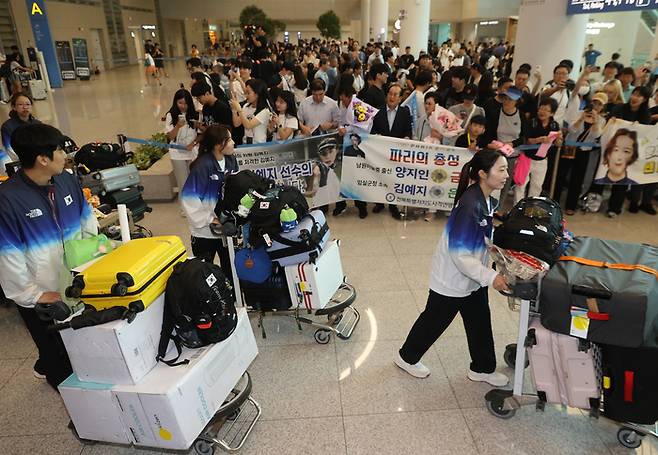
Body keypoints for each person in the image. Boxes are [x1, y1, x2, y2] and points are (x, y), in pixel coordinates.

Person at [395, 148, 510, 386]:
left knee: (479, 320)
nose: (506, 175)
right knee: (434, 321)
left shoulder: (486, 199)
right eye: (501, 170)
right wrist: (491, 277)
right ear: (482, 173)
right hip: (453, 279)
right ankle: (406, 357)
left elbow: (482, 236)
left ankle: (483, 368)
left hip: (472, 278)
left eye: (506, 169)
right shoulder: (470, 205)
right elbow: (461, 255)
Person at [0, 123, 98, 389]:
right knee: (58, 361)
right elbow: (8, 258)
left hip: (75, 283)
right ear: (42, 159)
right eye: (59, 149)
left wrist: (93, 264)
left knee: (83, 347)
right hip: (42, 296)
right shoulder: (8, 200)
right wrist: (33, 296)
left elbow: (86, 221)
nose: (65, 154)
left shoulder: (66, 179)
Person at [180, 125, 237, 278]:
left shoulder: (231, 160)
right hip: (204, 233)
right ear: (219, 145)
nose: (233, 143)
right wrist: (211, 219)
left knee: (230, 270)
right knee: (205, 274)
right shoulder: (202, 166)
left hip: (226, 230)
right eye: (229, 140)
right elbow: (188, 199)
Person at [560, 92, 607, 215]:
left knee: (577, 179)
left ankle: (571, 205)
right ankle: (554, 201)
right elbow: (571, 129)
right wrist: (581, 119)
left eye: (599, 104)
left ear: (603, 107)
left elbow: (597, 135)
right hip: (570, 147)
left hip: (584, 151)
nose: (596, 106)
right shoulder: (579, 112)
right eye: (595, 102)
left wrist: (595, 121)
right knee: (562, 174)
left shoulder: (601, 120)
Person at [370, 83, 412, 220]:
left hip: (397, 154)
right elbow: (372, 130)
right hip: (380, 153)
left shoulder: (405, 112)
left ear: (400, 98)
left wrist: (406, 139)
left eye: (395, 94)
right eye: (390, 94)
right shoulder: (378, 111)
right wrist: (377, 136)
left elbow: (408, 131)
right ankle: (379, 202)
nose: (392, 97)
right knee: (380, 178)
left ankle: (393, 205)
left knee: (394, 179)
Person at [514, 98, 562, 203]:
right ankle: (517, 208)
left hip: (542, 160)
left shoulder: (554, 125)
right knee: (520, 185)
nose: (542, 112)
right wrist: (540, 140)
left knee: (536, 186)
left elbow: (558, 144)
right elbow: (527, 141)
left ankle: (530, 210)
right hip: (527, 158)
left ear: (552, 113)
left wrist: (559, 139)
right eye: (541, 108)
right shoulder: (532, 122)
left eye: (546, 110)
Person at [164, 89, 199, 205]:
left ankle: (194, 205)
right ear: (175, 102)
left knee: (193, 180)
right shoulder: (170, 115)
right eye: (180, 103)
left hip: (191, 151)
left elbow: (200, 134)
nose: (183, 106)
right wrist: (178, 126)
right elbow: (170, 136)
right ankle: (185, 208)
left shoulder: (195, 114)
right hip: (177, 154)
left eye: (185, 103)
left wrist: (193, 144)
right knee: (182, 182)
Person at [229, 78, 271, 144]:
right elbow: (236, 124)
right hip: (246, 143)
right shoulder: (246, 106)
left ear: (257, 94)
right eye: (245, 93)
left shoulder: (265, 111)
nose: (246, 96)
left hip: (259, 145)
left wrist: (239, 110)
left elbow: (248, 125)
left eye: (248, 93)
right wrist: (234, 110)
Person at [1, 92, 42, 158]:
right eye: (20, 104)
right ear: (14, 107)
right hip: (21, 161)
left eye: (28, 104)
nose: (25, 107)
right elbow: (10, 150)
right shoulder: (7, 126)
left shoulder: (38, 124)